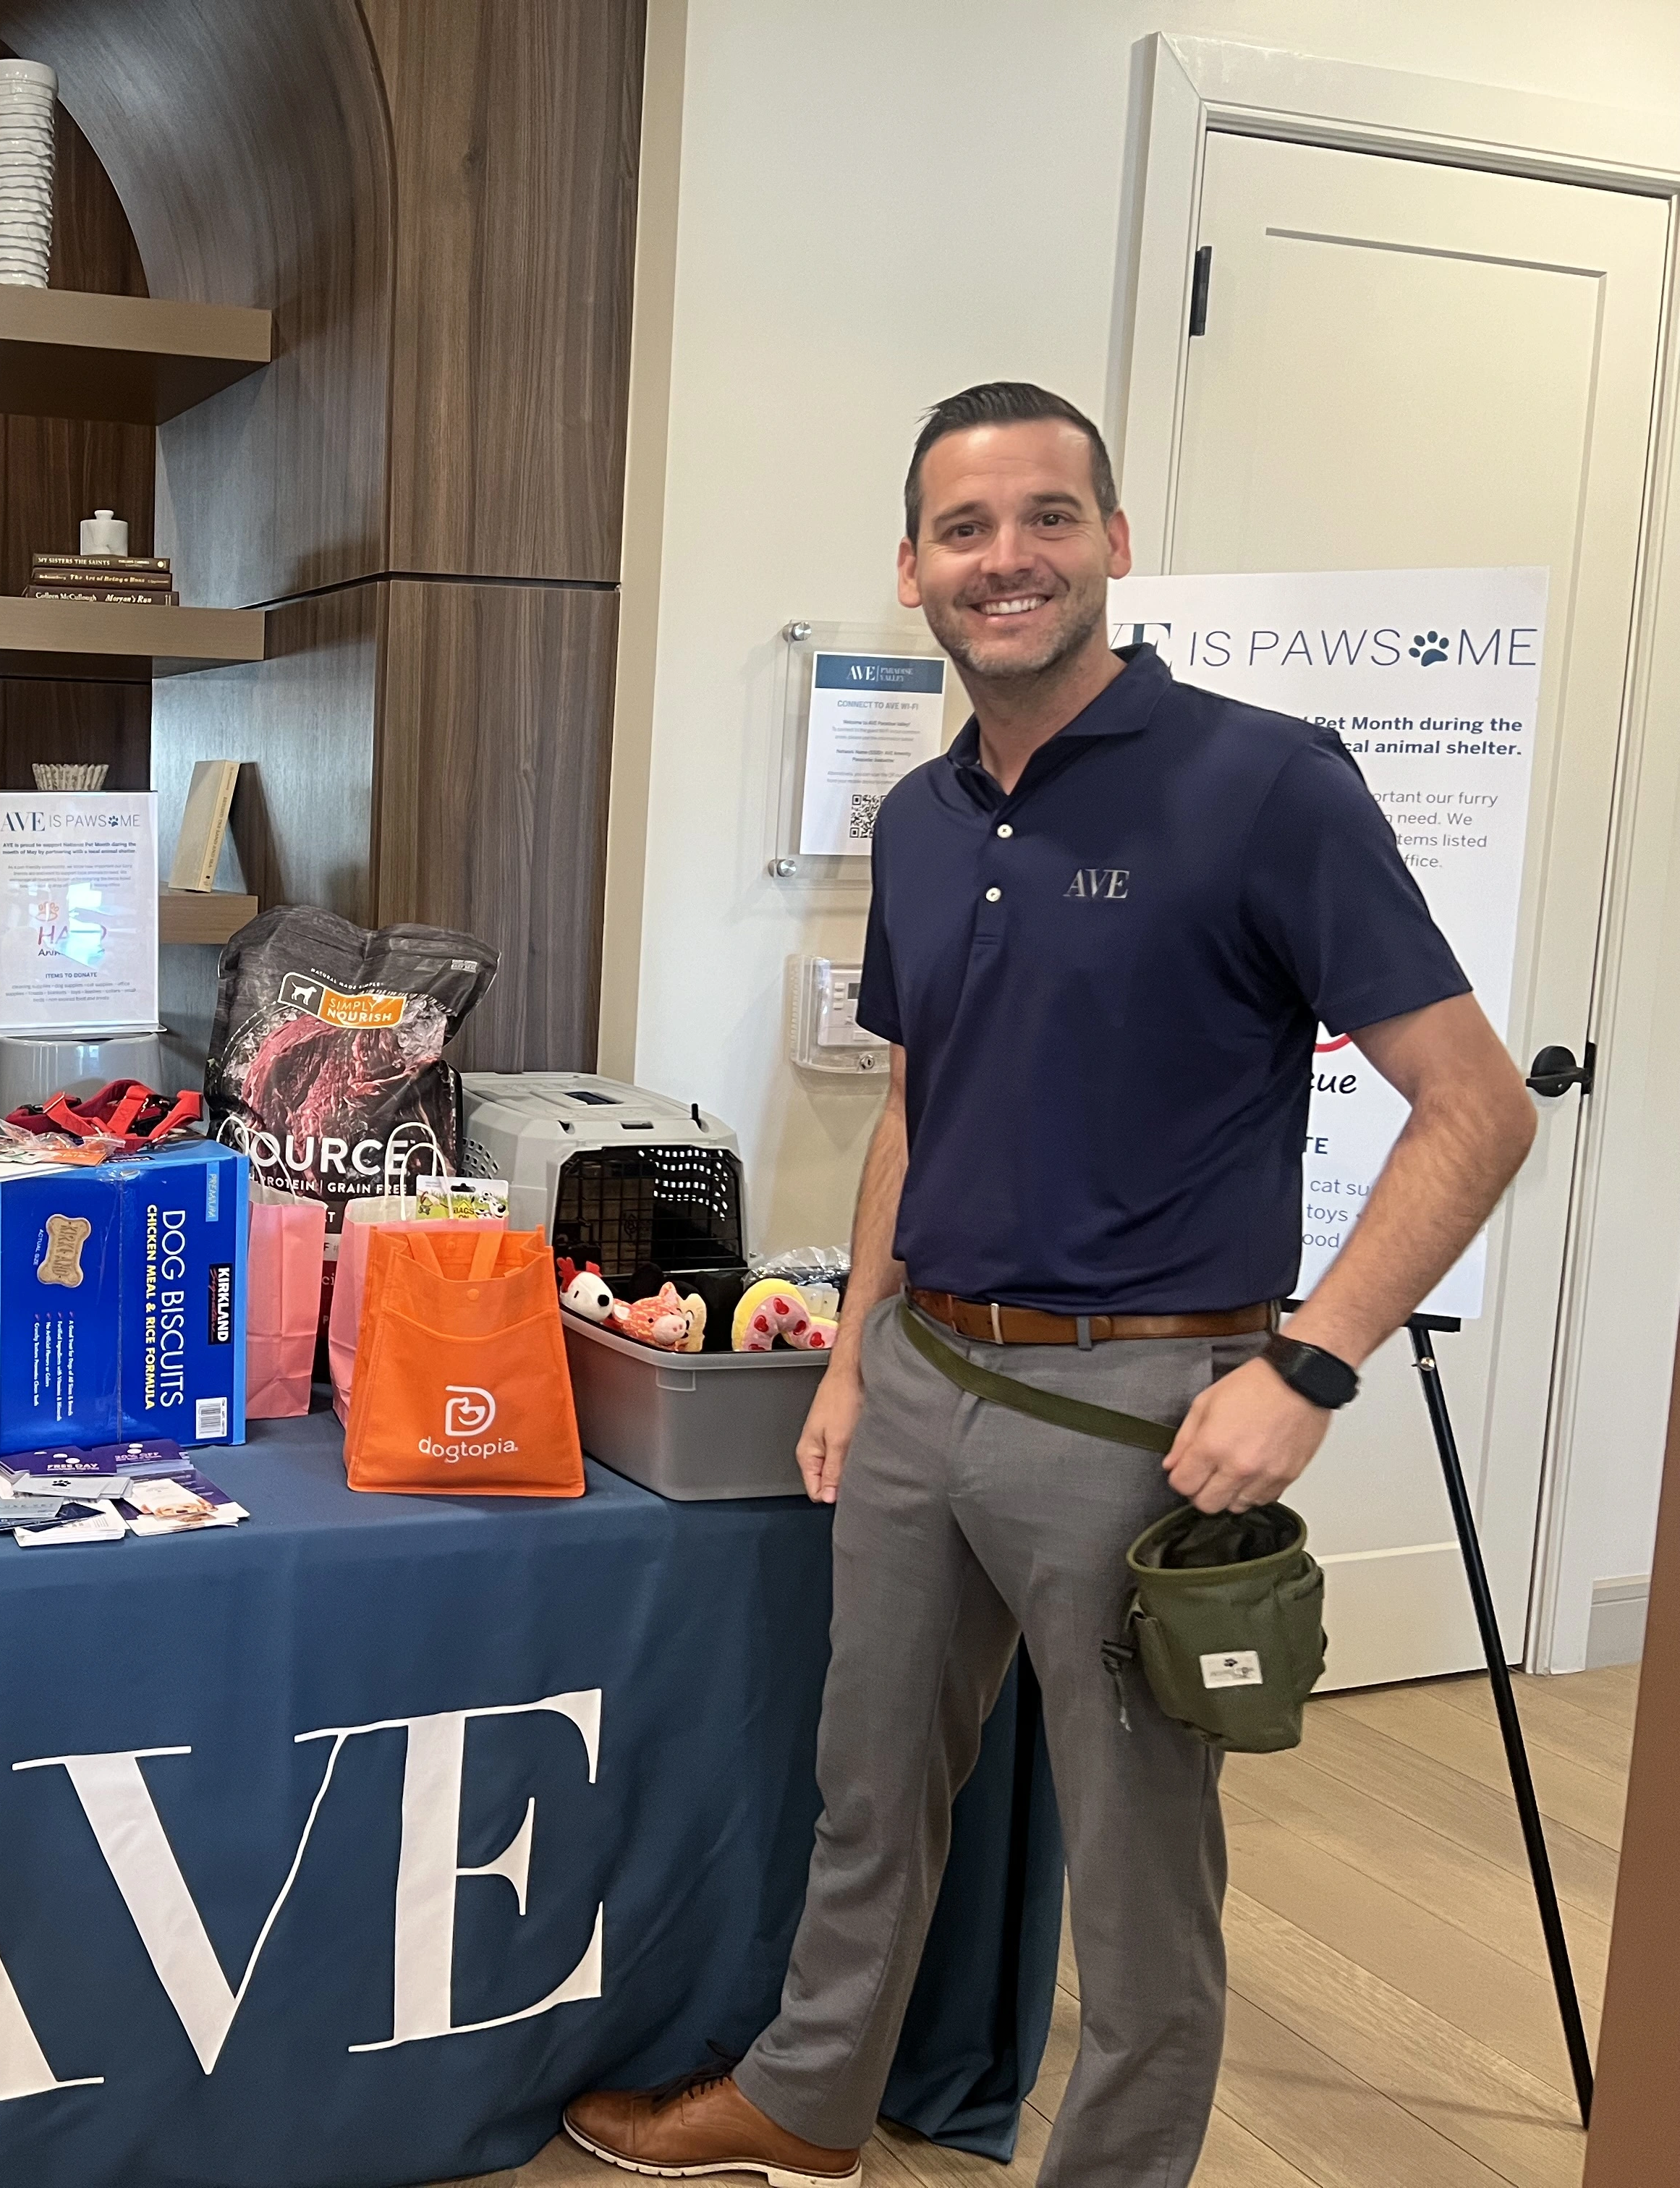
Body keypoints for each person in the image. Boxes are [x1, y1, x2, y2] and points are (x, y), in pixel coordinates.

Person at [562, 384, 1536, 2187]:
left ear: (1114, 540)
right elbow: (921, 1102)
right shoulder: (927, 821)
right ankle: (808, 2102)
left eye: (1045, 518)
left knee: (1143, 1873)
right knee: (871, 1796)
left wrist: (1307, 1370)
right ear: (913, 570)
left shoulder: (1265, 782)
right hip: (926, 1380)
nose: (1005, 558)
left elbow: (1476, 1114)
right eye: (965, 529)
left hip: (1146, 1417)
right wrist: (856, 1355)